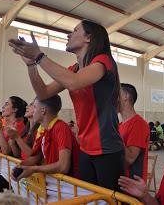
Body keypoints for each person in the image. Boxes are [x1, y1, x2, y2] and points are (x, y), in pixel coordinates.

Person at [9, 20, 124, 190]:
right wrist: (31, 65)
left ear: (88, 38)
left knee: (110, 200)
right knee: (89, 199)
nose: (69, 35)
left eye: (75, 30)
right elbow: (44, 93)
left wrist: (39, 56)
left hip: (106, 148)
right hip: (85, 147)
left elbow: (74, 83)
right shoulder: (74, 69)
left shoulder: (103, 61)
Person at [13, 95, 79, 180]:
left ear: (43, 110)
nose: (33, 112)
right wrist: (20, 166)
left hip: (66, 185)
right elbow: (37, 157)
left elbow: (63, 166)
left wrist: (34, 169)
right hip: (53, 181)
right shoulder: (44, 129)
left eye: (35, 107)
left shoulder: (61, 128)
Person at [118, 83, 149, 182]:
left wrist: (112, 134)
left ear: (125, 96)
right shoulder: (119, 125)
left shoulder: (139, 124)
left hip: (131, 186)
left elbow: (130, 158)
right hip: (119, 181)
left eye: (115, 94)